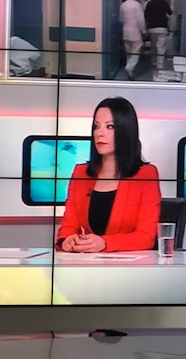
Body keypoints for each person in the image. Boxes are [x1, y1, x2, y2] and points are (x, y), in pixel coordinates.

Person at [56, 97, 161, 253]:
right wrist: (68, 239)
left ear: (125, 131)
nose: (100, 133)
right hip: (85, 262)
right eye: (96, 126)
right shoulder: (80, 173)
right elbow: (69, 225)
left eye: (110, 126)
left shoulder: (146, 174)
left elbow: (146, 236)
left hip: (127, 264)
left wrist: (105, 243)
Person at [119, 0, 146, 79]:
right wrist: (143, 30)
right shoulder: (137, 5)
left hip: (125, 31)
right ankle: (129, 68)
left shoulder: (123, 5)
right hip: (135, 32)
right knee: (136, 51)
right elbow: (140, 20)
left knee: (129, 52)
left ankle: (130, 70)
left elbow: (121, 19)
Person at [144, 0, 173, 70]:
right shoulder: (164, 3)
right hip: (162, 28)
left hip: (152, 28)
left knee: (153, 46)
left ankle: (153, 61)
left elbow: (145, 15)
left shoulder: (150, 3)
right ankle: (160, 64)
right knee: (161, 47)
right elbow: (170, 12)